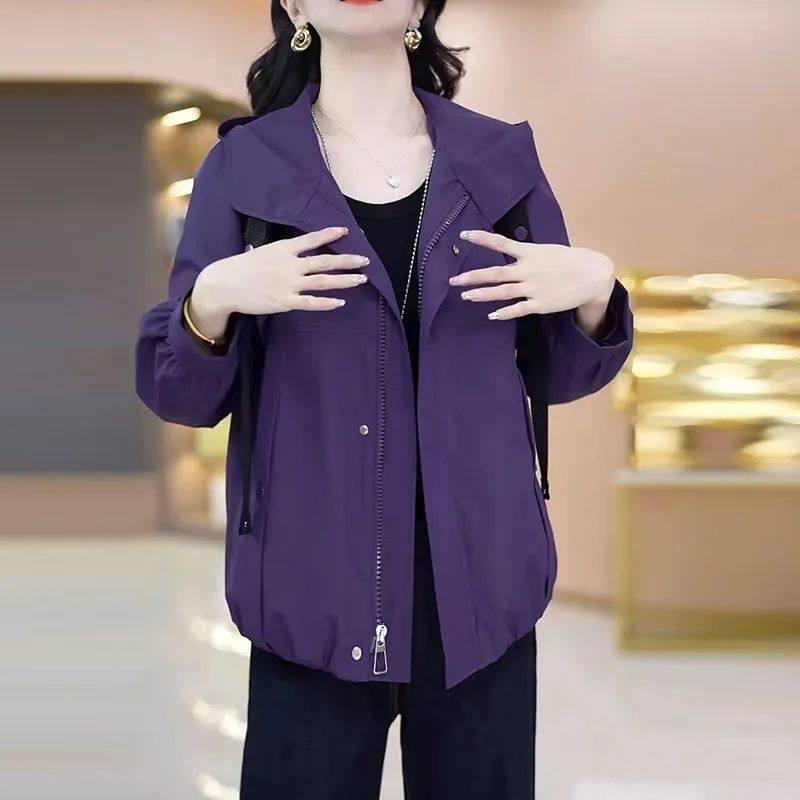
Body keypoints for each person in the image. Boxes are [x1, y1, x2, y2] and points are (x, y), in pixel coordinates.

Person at [135, 1, 634, 797]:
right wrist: (212, 301)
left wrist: (596, 297)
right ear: (295, 6)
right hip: (309, 587)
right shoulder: (245, 169)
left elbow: (559, 374)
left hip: (483, 587)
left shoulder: (501, 161)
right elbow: (181, 393)